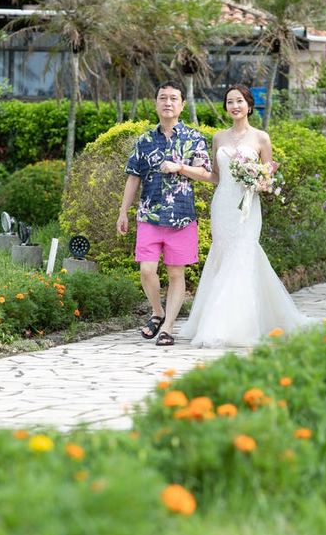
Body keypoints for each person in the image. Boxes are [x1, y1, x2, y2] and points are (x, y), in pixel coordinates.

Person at [172, 84, 315, 348]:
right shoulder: (218, 138)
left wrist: (259, 182)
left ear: (249, 105)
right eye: (230, 102)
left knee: (244, 255)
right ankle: (217, 321)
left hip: (248, 209)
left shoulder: (261, 138)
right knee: (223, 257)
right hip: (223, 205)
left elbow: (268, 176)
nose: (235, 106)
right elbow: (215, 176)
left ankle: (239, 325)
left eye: (239, 101)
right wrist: (183, 169)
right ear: (226, 107)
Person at [116, 80, 212, 346]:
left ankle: (168, 327)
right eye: (163, 98)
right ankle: (157, 312)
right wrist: (123, 212)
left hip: (182, 217)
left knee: (175, 273)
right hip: (149, 215)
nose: (168, 103)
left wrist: (180, 167)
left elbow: (206, 174)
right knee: (147, 270)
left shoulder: (193, 138)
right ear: (156, 103)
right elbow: (133, 178)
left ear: (182, 104)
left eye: (173, 98)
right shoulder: (145, 140)